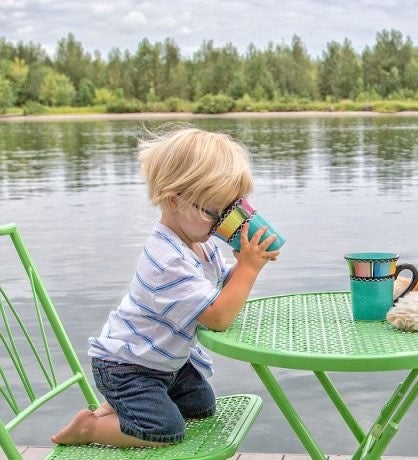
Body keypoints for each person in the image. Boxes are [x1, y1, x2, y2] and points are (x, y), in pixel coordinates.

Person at [51, 125, 279, 447]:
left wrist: (244, 264)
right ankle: (89, 429)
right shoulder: (166, 261)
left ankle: (121, 406)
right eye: (216, 213)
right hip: (127, 366)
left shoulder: (201, 243)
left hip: (165, 363)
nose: (223, 224)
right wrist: (249, 269)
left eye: (232, 211)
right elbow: (217, 316)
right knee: (167, 431)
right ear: (174, 201)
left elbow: (216, 290)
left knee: (202, 408)